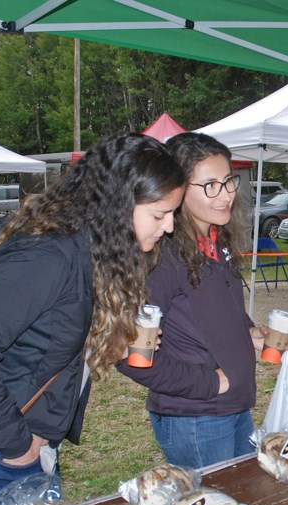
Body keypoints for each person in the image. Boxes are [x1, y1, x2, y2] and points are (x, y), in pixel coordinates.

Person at [0, 133, 185, 505]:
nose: (169, 226)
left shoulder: (88, 248)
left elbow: (48, 331)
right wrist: (16, 445)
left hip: (23, 449)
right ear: (115, 205)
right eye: (159, 214)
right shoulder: (48, 254)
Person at [117, 132, 266, 469]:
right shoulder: (163, 258)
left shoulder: (216, 237)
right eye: (210, 185)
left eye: (228, 181)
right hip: (196, 418)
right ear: (179, 190)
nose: (225, 194)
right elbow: (129, 354)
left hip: (233, 406)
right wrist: (208, 382)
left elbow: (217, 311)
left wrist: (249, 331)